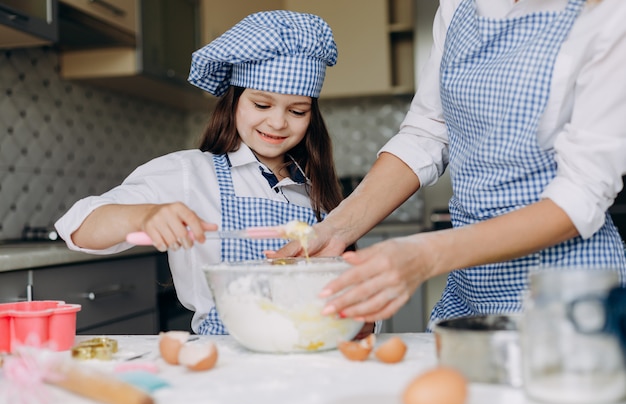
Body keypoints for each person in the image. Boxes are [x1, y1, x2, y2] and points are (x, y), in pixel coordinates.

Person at [269, 0, 626, 329]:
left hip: (570, 292)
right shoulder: (460, 5)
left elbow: (582, 193)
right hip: (471, 285)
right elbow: (428, 133)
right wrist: (334, 230)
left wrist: (425, 254)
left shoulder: (608, 13)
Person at [55, 10, 354, 336]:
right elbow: (79, 228)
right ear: (235, 100)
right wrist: (144, 216)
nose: (278, 122)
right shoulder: (188, 173)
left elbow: (350, 287)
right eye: (262, 105)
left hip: (312, 356)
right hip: (225, 362)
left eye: (297, 111)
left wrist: (363, 321)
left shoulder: (316, 191)